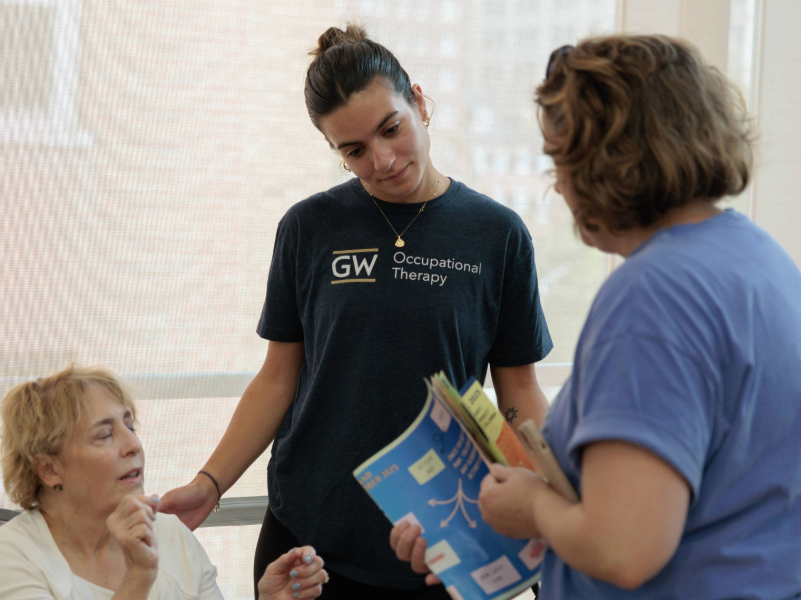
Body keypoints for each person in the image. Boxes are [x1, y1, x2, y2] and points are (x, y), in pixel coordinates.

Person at [391, 34, 801, 599]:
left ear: (608, 161)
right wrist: (493, 514)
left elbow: (624, 549)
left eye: (559, 160)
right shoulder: (759, 258)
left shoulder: (656, 295)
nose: (556, 185)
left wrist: (535, 507)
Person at [159, 24, 553, 599]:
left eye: (391, 129)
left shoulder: (497, 236)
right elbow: (278, 379)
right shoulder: (308, 228)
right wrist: (209, 484)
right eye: (355, 150)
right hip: (310, 540)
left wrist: (553, 505)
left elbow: (518, 392)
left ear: (418, 101)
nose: (384, 159)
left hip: (442, 541)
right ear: (335, 151)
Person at [0, 365, 328, 600]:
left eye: (130, 426)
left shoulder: (170, 534)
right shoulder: (7, 557)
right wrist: (140, 576)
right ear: (48, 470)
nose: (133, 445)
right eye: (105, 435)